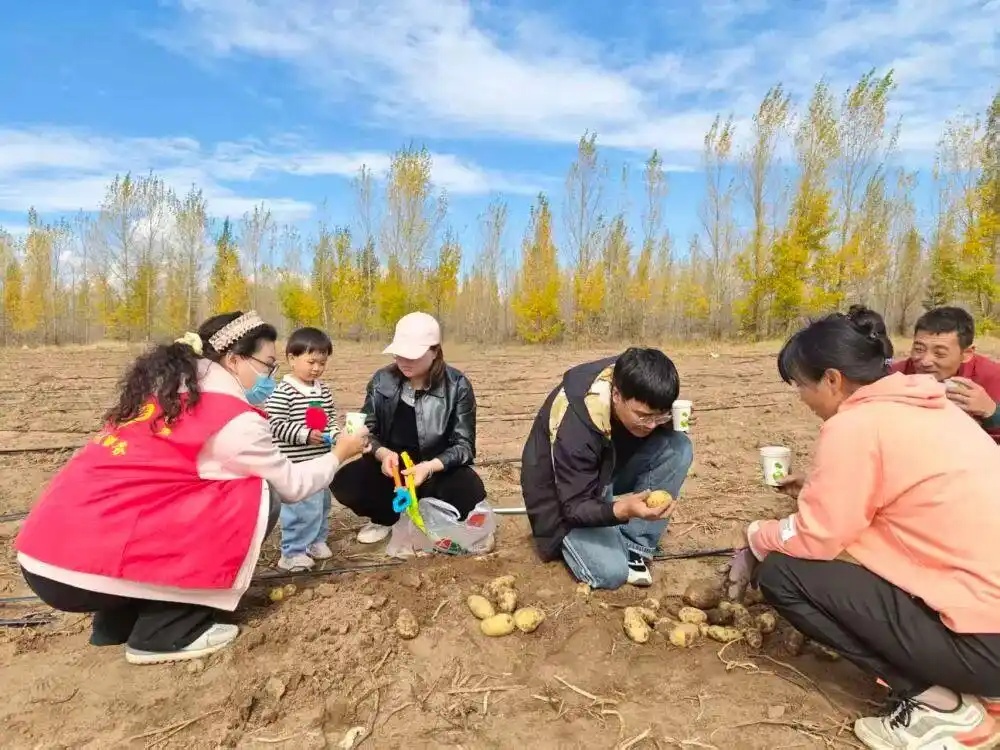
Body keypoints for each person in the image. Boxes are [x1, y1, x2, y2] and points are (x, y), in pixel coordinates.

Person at [14, 311, 368, 666]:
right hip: (78, 569)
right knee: (258, 496)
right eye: (268, 365)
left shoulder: (166, 394)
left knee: (167, 496)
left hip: (46, 555)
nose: (270, 379)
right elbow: (292, 485)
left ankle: (118, 618)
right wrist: (340, 453)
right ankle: (166, 631)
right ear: (234, 359)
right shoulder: (233, 419)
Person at [733, 307, 1000, 749]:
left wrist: (755, 537)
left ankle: (940, 707)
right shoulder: (934, 404)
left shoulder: (855, 425)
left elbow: (817, 537)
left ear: (833, 380)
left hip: (986, 642)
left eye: (801, 384)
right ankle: (986, 689)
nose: (801, 397)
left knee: (783, 574)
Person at [520, 347, 693, 590]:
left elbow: (651, 421)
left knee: (679, 446)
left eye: (660, 416)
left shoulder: (634, 376)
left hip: (603, 470)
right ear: (616, 395)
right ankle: (578, 543)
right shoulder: (575, 426)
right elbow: (573, 506)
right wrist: (623, 509)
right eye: (643, 416)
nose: (652, 425)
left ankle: (635, 545)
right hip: (561, 497)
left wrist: (669, 420)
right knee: (610, 573)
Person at [330, 311, 485, 545]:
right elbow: (366, 429)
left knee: (470, 492)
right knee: (346, 482)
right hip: (390, 470)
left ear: (435, 351)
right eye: (399, 354)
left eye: (412, 355)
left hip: (434, 469)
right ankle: (385, 518)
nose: (403, 361)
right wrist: (383, 454)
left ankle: (428, 512)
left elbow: (464, 446)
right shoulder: (382, 380)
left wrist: (429, 467)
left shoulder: (457, 385)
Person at [267, 327, 340, 572]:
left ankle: (316, 540)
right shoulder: (284, 391)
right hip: (296, 466)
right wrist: (305, 435)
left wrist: (338, 436)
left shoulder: (323, 390)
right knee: (300, 509)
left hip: (320, 462)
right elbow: (275, 424)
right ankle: (293, 551)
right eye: (311, 362)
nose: (316, 368)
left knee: (321, 504)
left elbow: (328, 420)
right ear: (291, 358)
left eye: (322, 363)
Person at [891, 306, 1000, 443]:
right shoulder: (896, 375)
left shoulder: (992, 376)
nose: (925, 361)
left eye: (940, 353)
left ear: (966, 354)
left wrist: (991, 412)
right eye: (919, 349)